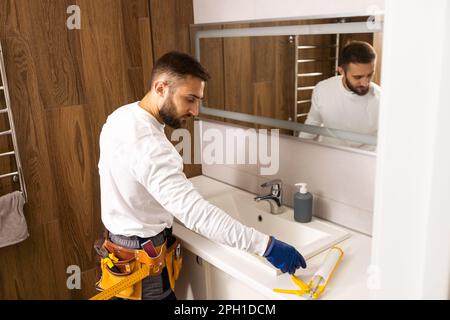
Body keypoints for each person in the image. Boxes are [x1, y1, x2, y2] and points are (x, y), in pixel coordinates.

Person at [98, 51, 307, 300]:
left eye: (199, 100)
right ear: (161, 87)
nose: (195, 110)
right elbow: (198, 215)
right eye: (190, 99)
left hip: (121, 250)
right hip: (143, 264)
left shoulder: (122, 116)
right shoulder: (151, 146)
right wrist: (266, 246)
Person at [299, 41, 381, 150]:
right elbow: (312, 124)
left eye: (370, 75)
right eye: (358, 77)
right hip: (330, 157)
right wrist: (298, 151)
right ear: (341, 71)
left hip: (367, 160)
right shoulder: (322, 89)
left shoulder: (381, 99)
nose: (365, 83)